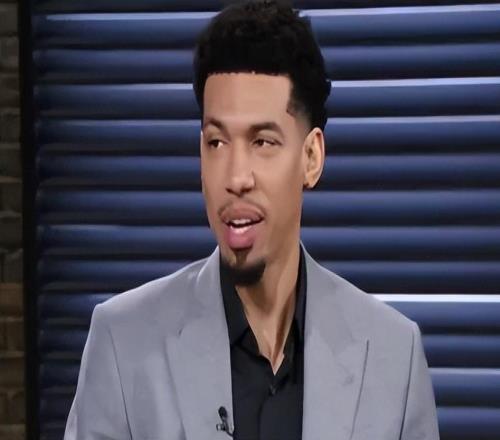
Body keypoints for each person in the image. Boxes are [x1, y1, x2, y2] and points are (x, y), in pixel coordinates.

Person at [64, 1, 440, 439]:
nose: (235, 178)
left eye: (262, 142)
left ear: (311, 157)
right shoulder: (122, 344)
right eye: (217, 142)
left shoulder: (393, 356)